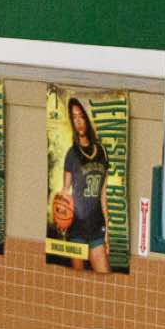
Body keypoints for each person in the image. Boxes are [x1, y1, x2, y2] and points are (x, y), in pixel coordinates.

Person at [55, 96, 111, 273]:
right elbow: (65, 191)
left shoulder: (102, 151)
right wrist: (60, 214)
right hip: (77, 226)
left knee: (105, 277)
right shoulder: (72, 154)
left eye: (81, 116)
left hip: (96, 225)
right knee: (77, 283)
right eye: (74, 117)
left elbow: (103, 195)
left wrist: (108, 231)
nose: (78, 121)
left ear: (87, 118)